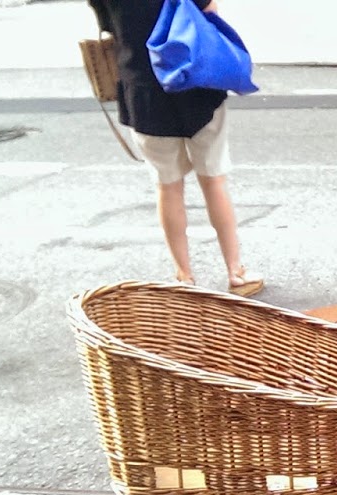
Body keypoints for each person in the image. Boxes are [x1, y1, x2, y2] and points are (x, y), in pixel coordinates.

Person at [87, 0, 262, 296]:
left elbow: (108, 28)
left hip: (143, 91)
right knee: (214, 179)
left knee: (167, 186)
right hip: (195, 82)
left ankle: (184, 276)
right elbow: (209, 12)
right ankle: (235, 272)